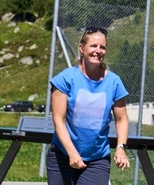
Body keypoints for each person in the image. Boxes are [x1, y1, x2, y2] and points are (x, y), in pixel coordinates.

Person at [48, 26, 130, 185]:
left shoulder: (114, 82)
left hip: (97, 159)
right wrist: (72, 153)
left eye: (102, 47)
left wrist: (121, 147)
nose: (98, 51)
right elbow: (59, 120)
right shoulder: (65, 79)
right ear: (82, 48)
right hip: (62, 155)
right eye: (93, 46)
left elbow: (121, 119)